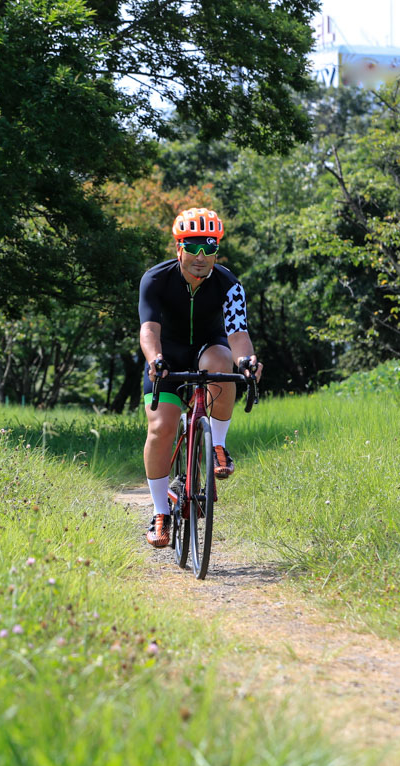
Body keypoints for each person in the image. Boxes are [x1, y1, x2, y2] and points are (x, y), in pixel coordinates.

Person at [137, 207, 263, 547]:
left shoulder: (229, 284)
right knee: (161, 428)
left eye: (209, 248)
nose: (201, 256)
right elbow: (148, 329)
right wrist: (155, 358)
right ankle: (161, 511)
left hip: (209, 348)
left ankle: (218, 446)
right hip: (166, 356)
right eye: (193, 247)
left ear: (216, 251)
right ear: (179, 248)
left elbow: (238, 336)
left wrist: (248, 360)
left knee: (224, 363)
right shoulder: (155, 279)